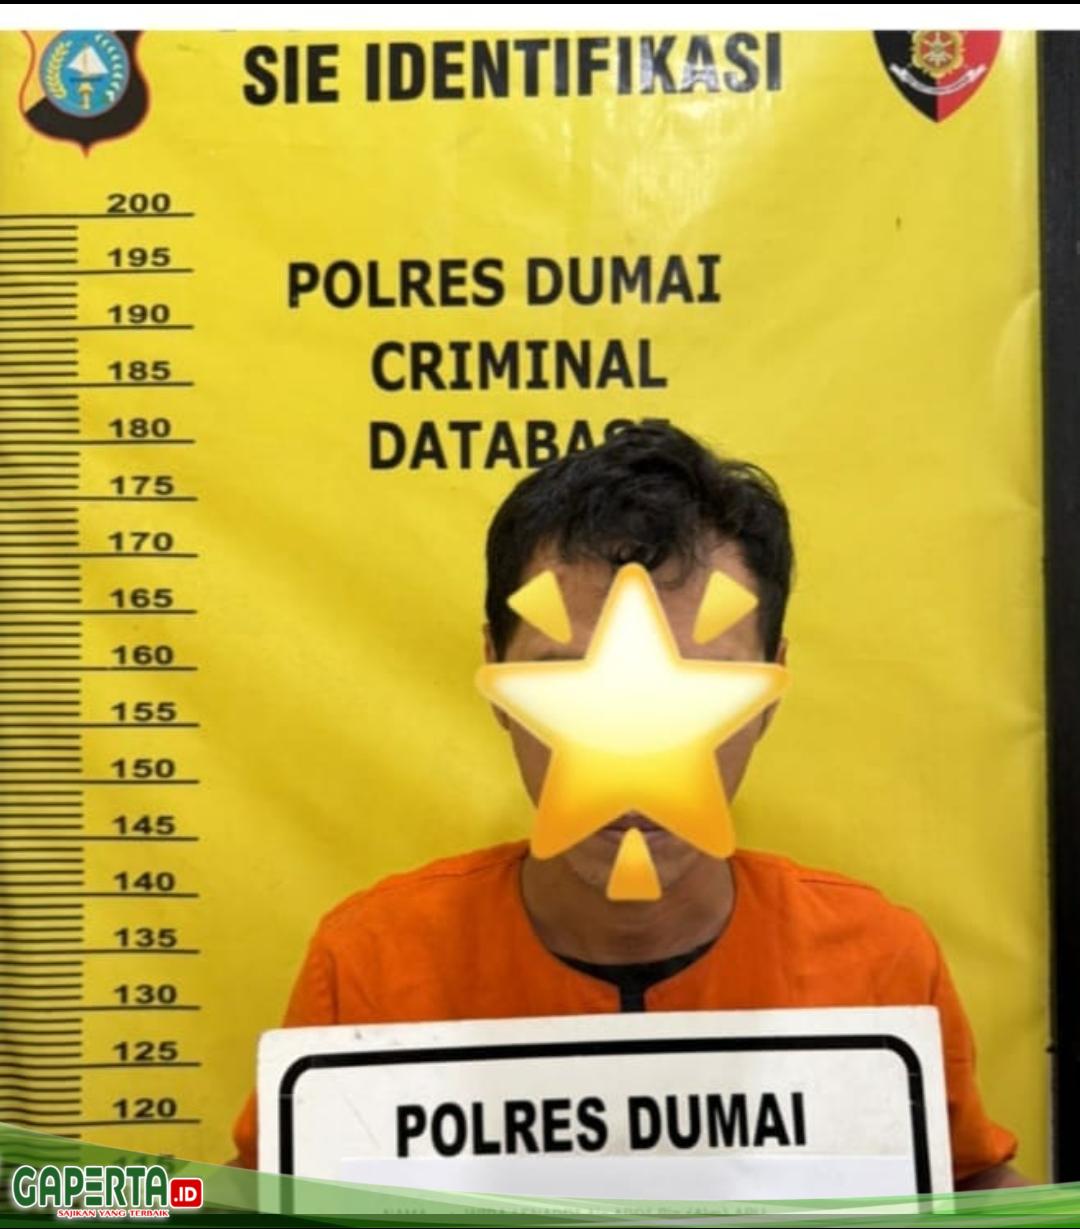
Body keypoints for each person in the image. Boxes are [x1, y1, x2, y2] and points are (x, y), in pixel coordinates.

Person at [230, 420, 1027, 1189]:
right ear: (495, 673)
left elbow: (966, 1182)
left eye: (702, 679)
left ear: (772, 688)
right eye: (563, 674)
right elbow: (252, 1194)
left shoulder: (880, 962)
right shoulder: (370, 964)